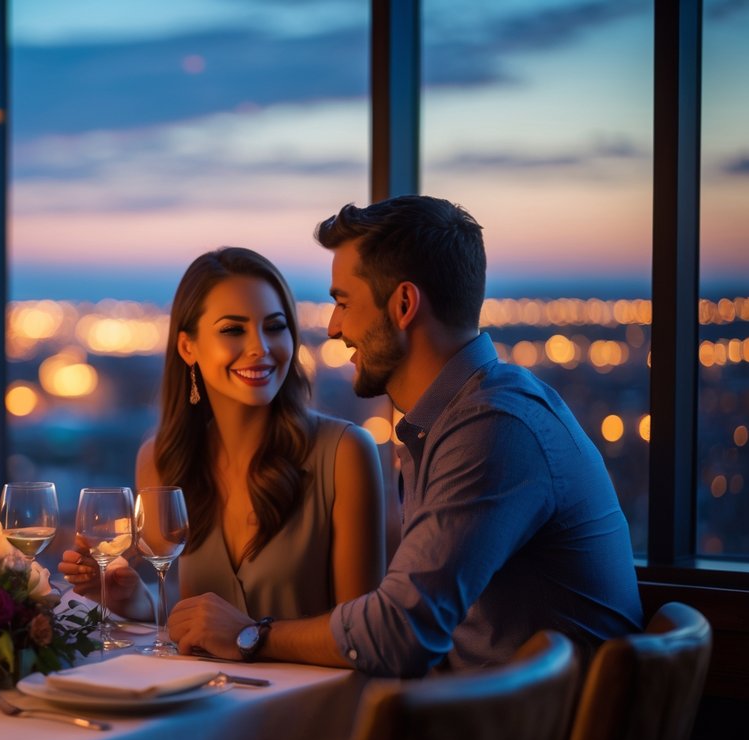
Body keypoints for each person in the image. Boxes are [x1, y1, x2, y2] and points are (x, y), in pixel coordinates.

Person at [168, 196, 644, 676]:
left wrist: (250, 635)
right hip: (492, 725)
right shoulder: (455, 421)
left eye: (343, 302)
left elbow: (399, 631)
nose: (334, 328)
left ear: (403, 305)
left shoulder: (493, 430)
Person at [59, 246, 386, 622]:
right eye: (233, 329)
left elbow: (363, 636)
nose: (260, 348)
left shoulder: (345, 453)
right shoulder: (161, 461)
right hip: (200, 684)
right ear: (188, 347)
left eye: (275, 327)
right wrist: (133, 602)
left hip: (319, 684)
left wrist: (247, 637)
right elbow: (182, 624)